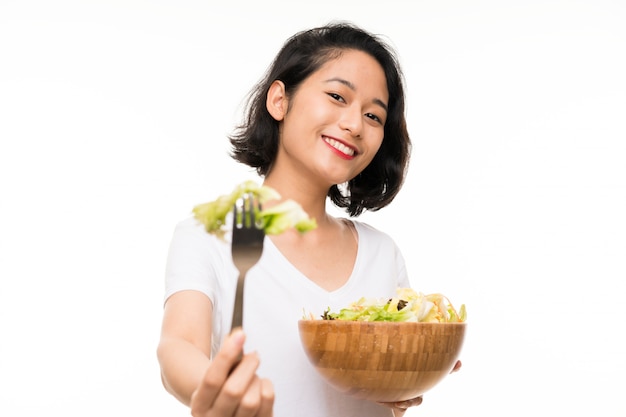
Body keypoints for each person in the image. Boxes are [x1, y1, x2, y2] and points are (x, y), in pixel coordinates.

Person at [157, 21, 460, 417]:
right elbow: (178, 346)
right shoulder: (210, 235)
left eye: (373, 116)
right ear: (279, 100)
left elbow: (385, 397)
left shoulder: (381, 253)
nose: (354, 125)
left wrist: (407, 378)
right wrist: (215, 389)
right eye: (337, 96)